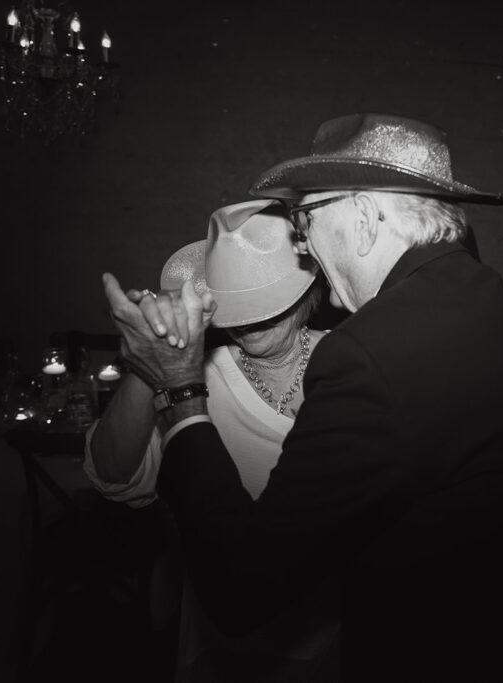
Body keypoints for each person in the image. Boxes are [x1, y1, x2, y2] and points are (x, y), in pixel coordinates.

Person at [100, 113, 503, 681]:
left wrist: (183, 389)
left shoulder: (369, 352)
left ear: (361, 218)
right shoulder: (482, 297)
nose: (302, 247)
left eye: (305, 220)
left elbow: (241, 586)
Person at [86, 199, 340, 682]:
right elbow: (116, 479)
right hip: (225, 646)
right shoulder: (197, 376)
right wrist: (150, 362)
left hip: (334, 634)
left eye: (267, 297)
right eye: (238, 299)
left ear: (308, 290)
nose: (250, 319)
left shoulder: (351, 358)